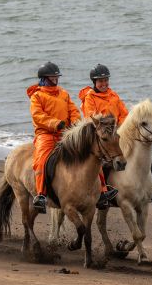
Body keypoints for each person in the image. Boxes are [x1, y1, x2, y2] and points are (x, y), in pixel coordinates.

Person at [28, 62, 81, 214]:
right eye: (53, 76)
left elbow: (74, 110)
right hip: (46, 134)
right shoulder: (37, 96)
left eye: (57, 76)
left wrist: (76, 124)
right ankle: (41, 195)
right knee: (41, 161)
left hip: (65, 133)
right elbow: (38, 116)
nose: (56, 78)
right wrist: (55, 123)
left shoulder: (64, 93)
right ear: (45, 78)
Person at [78, 63, 128, 209]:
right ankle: (102, 192)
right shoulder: (89, 97)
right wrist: (108, 128)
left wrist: (122, 128)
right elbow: (91, 116)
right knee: (102, 162)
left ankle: (144, 189)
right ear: (94, 82)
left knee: (145, 155)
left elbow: (124, 114)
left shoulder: (114, 95)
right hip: (99, 135)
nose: (104, 83)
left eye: (106, 80)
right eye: (100, 81)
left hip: (116, 133)